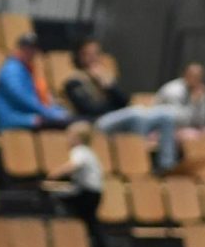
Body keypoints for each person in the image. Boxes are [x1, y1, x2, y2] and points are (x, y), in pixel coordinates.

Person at [64, 39, 180, 172]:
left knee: (166, 115)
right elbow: (90, 109)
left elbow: (125, 101)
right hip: (95, 123)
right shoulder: (74, 81)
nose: (93, 57)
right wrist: (112, 103)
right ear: (79, 56)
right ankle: (136, 162)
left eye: (96, 53)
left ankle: (167, 165)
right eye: (88, 54)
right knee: (136, 115)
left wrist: (110, 86)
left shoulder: (105, 77)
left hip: (115, 119)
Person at [154, 61, 205, 174]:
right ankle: (202, 172)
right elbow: (175, 119)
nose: (196, 79)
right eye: (193, 75)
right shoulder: (172, 90)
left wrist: (200, 102)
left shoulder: (201, 92)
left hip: (189, 128)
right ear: (185, 75)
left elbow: (203, 120)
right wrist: (194, 103)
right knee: (191, 135)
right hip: (164, 130)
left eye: (199, 76)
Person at [44, 125, 107, 247]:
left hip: (86, 192)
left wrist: (54, 175)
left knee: (55, 196)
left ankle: (62, 225)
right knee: (90, 221)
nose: (67, 139)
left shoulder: (80, 150)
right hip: (95, 191)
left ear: (78, 139)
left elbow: (74, 164)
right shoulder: (89, 152)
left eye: (70, 136)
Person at [0, 33, 71, 132]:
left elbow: (42, 96)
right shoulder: (11, 70)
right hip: (13, 119)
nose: (32, 52)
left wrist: (56, 110)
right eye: (28, 49)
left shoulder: (27, 69)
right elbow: (21, 98)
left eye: (34, 49)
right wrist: (48, 112)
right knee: (64, 124)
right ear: (19, 49)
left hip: (30, 115)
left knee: (71, 120)